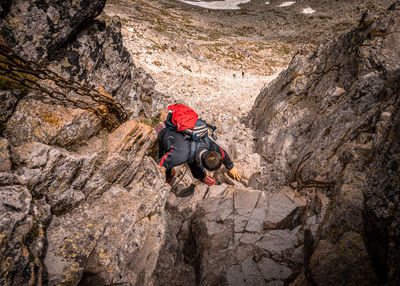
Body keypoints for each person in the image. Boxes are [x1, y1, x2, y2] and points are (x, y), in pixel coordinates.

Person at [156, 107, 240, 186]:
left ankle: (202, 176)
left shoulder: (207, 142)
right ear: (204, 167)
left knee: (193, 159)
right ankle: (170, 173)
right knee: (169, 166)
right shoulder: (180, 156)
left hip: (187, 146)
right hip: (166, 136)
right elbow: (159, 165)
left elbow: (222, 153)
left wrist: (231, 167)